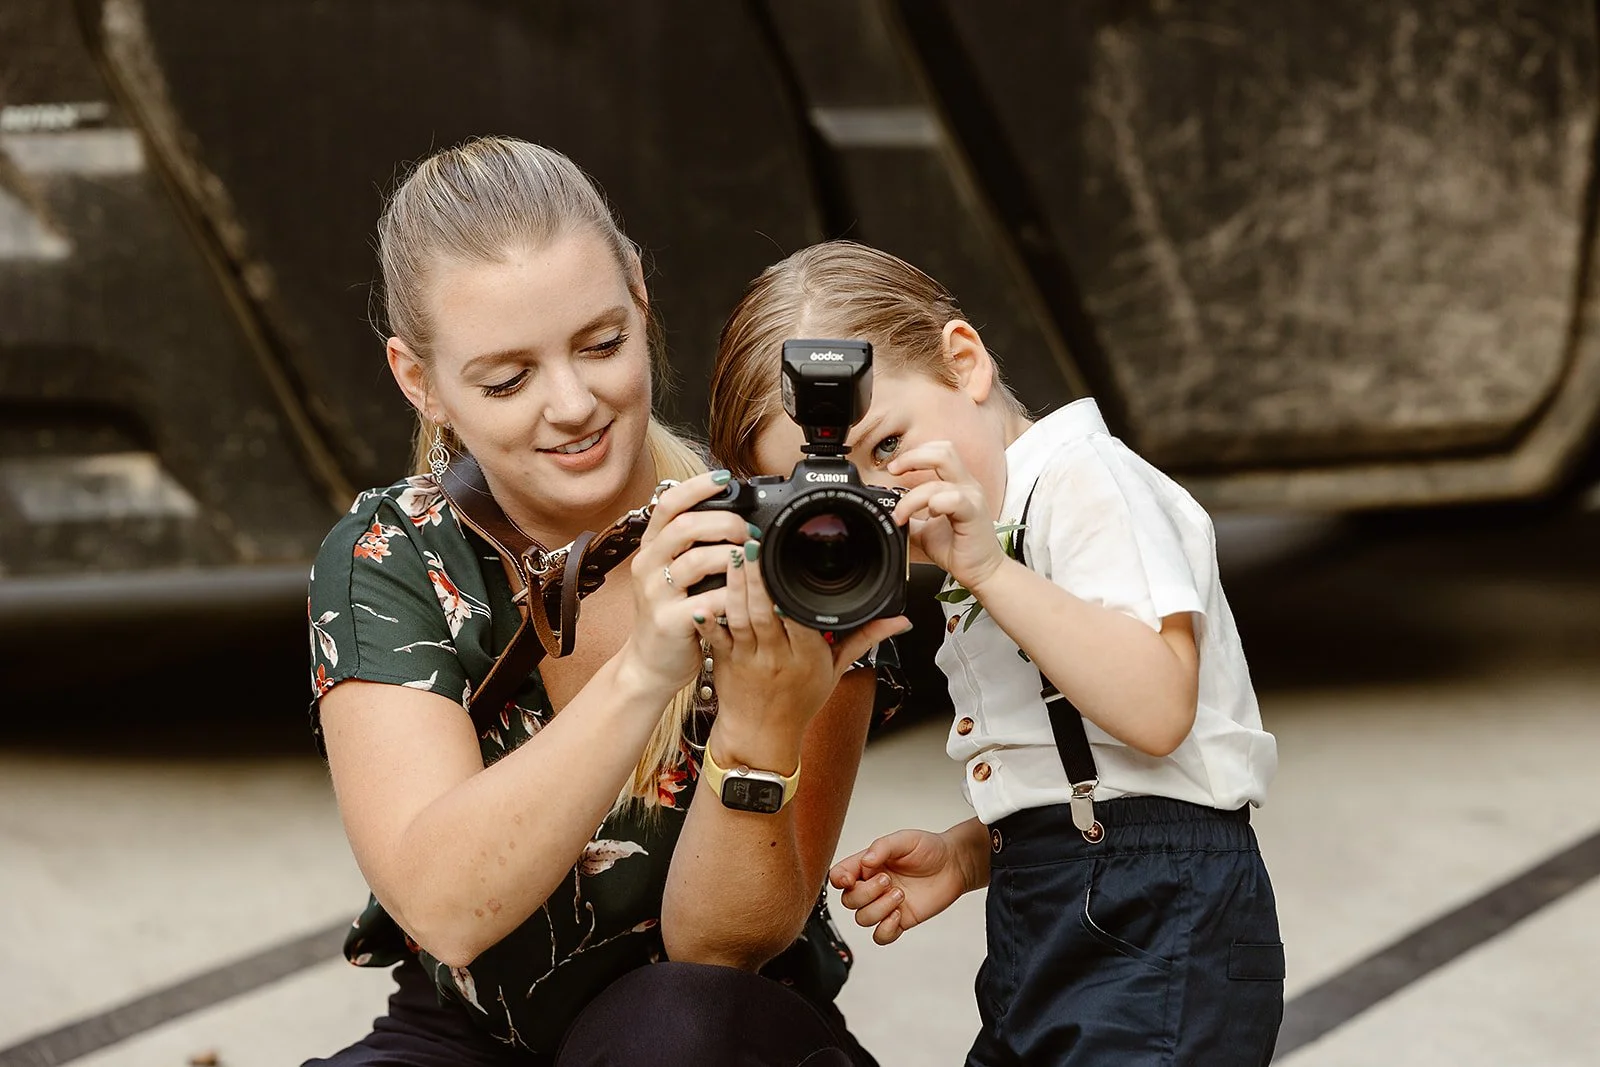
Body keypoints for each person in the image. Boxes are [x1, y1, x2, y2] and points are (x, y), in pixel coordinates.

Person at [304, 139, 909, 1067]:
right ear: (417, 379)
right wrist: (643, 673)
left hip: (715, 1034)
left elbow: (725, 949)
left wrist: (758, 723)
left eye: (602, 343)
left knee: (669, 1032)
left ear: (640, 292)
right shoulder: (395, 554)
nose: (574, 403)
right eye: (507, 379)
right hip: (470, 1035)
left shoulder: (799, 541)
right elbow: (447, 910)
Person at [707, 239, 1284, 1065]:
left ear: (965, 361)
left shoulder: (1086, 481)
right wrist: (971, 852)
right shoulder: (980, 539)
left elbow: (1157, 712)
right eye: (831, 488)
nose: (882, 493)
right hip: (1050, 910)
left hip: (1161, 923)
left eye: (886, 444)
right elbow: (1099, 777)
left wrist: (987, 568)